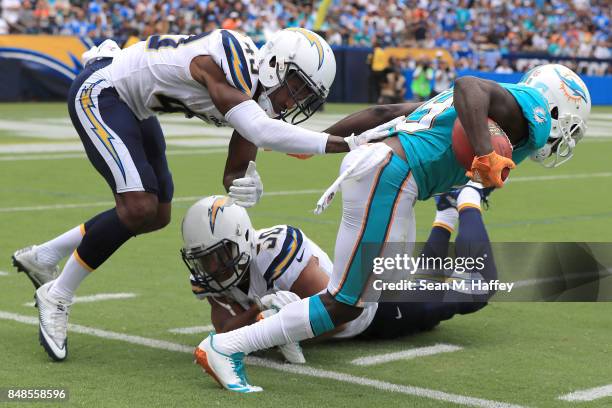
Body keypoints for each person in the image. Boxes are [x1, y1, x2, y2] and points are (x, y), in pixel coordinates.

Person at [11, 27, 407, 362]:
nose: (292, 101)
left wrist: (247, 183)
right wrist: (347, 144)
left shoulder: (256, 98)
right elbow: (264, 132)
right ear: (274, 63)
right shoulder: (230, 56)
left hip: (135, 107)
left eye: (304, 97)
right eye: (295, 87)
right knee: (137, 206)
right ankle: (58, 294)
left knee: (156, 213)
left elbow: (235, 171)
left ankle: (45, 256)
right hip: (102, 91)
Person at [194, 64, 591, 392]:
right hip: (391, 174)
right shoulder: (530, 110)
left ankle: (282, 319)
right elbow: (468, 84)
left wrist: (318, 140)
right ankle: (229, 345)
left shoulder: (494, 111)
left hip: (387, 170)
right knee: (348, 302)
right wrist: (485, 152)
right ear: (558, 108)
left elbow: (385, 114)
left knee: (392, 284)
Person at [182, 192, 490, 369]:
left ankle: (468, 196)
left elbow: (339, 317)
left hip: (373, 307)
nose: (211, 267)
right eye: (203, 259)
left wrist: (277, 329)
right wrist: (264, 316)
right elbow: (224, 332)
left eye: (219, 255)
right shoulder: (212, 274)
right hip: (362, 314)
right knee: (427, 278)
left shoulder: (278, 251)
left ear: (242, 239)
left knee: (476, 289)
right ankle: (446, 212)